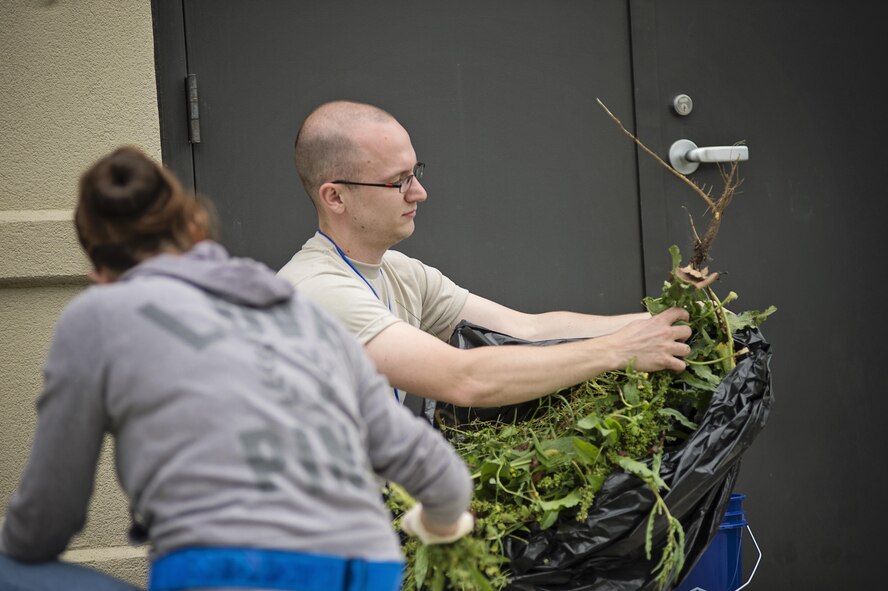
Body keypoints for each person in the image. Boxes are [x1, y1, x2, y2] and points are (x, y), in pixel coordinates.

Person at [0, 146, 474, 591]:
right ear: (194, 231)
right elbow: (440, 475)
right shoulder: (298, 310)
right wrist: (435, 524)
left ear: (99, 272)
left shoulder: (99, 315)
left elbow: (49, 517)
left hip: (225, 570)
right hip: (364, 567)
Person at [278, 100, 693, 411]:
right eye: (397, 182)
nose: (419, 193)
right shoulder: (317, 293)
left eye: (415, 174)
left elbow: (527, 330)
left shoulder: (400, 273)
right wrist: (618, 351)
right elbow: (465, 379)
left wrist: (666, 321)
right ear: (335, 196)